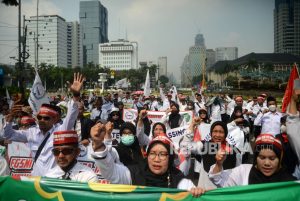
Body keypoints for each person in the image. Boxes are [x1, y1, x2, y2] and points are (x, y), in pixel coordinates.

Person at [3, 72, 84, 176]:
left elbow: (71, 115)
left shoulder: (60, 131)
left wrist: (76, 95)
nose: (41, 120)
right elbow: (8, 135)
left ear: (55, 119)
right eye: (39, 117)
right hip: (36, 181)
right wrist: (10, 118)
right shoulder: (31, 133)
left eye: (46, 118)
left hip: (54, 180)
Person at [90, 126, 205, 197]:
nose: (156, 159)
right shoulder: (133, 173)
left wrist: (197, 193)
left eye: (163, 154)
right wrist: (99, 145)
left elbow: (192, 192)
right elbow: (110, 172)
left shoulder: (180, 181)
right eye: (153, 153)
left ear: (170, 158)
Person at [209, 134, 296, 187]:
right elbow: (218, 180)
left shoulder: (291, 184)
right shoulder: (243, 171)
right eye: (262, 158)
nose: (267, 163)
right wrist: (219, 164)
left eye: (272, 158)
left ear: (280, 159)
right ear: (255, 158)